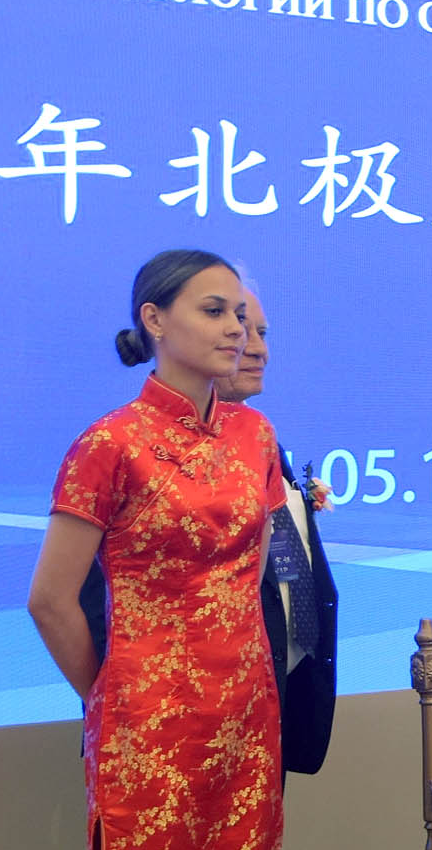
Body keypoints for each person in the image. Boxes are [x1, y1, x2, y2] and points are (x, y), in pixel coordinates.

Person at [27, 250, 287, 850]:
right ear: (155, 320)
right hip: (148, 726)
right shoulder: (109, 444)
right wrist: (110, 697)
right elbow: (50, 598)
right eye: (214, 311)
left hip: (247, 718)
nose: (236, 329)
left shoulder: (255, 435)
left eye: (240, 314)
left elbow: (251, 573)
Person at [77, 275, 338, 776]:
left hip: (260, 706)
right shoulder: (123, 447)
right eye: (225, 318)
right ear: (160, 324)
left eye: (260, 331)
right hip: (160, 724)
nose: (251, 345)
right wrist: (123, 702)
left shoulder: (261, 439)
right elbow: (90, 598)